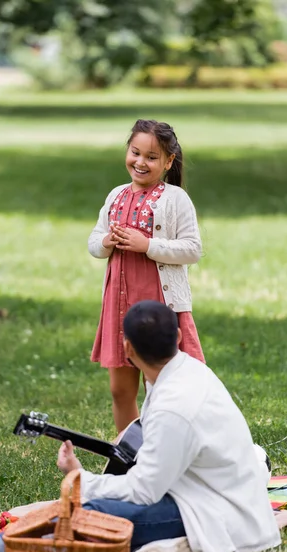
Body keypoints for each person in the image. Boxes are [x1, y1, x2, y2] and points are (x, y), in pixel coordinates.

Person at [0, 301, 281, 552]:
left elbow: (143, 492)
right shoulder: (185, 371)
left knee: (93, 513)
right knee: (87, 505)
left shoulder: (176, 406)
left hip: (213, 510)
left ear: (127, 349)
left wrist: (81, 480)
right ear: (179, 338)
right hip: (201, 490)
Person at [89, 119, 204, 433]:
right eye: (135, 152)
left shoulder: (175, 199)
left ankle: (164, 451)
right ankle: (130, 457)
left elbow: (192, 249)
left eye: (151, 157)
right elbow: (94, 241)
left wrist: (147, 245)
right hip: (120, 305)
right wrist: (105, 242)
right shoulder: (115, 196)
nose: (140, 162)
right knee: (120, 390)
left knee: (163, 390)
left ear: (168, 162)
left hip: (158, 306)